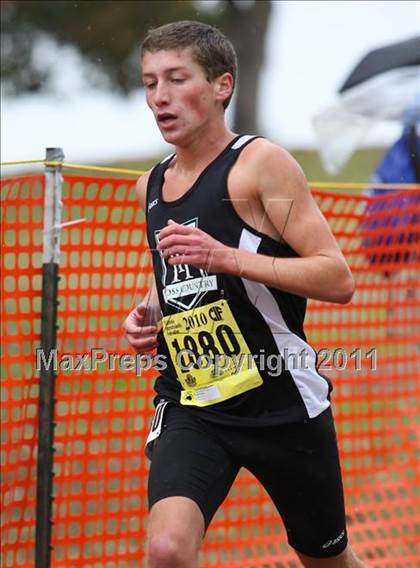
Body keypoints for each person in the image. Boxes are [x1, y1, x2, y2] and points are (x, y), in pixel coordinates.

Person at [123, 20, 364, 568]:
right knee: (166, 550)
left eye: (176, 78)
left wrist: (228, 257)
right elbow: (177, 277)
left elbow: (337, 278)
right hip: (194, 400)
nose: (159, 96)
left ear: (221, 86)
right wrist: (148, 310)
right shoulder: (151, 186)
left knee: (326, 560)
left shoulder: (260, 165)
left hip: (281, 400)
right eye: (150, 82)